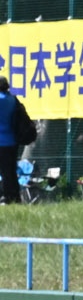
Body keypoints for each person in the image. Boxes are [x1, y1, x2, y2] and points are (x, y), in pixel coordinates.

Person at [0, 75, 23, 204]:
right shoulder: (12, 99)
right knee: (10, 170)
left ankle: (7, 196)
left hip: (1, 141)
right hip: (12, 140)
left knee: (4, 171)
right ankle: (15, 196)